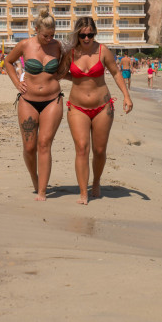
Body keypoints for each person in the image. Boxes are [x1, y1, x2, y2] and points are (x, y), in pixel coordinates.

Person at [62, 17, 133, 204]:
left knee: (99, 150)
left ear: (95, 33)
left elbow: (116, 73)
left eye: (90, 35)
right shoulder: (70, 53)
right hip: (77, 108)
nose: (86, 39)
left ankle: (96, 181)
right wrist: (77, 79)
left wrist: (126, 96)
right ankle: (83, 193)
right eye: (83, 35)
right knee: (82, 148)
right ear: (78, 34)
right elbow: (60, 73)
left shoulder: (103, 51)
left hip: (103, 107)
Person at [3, 8, 64, 201]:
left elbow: (62, 71)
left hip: (53, 99)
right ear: (36, 29)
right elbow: (8, 62)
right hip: (27, 100)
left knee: (44, 144)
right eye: (46, 35)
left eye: (52, 35)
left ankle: (43, 191)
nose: (49, 39)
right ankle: (34, 178)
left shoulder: (58, 47)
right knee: (30, 147)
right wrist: (16, 82)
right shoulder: (24, 45)